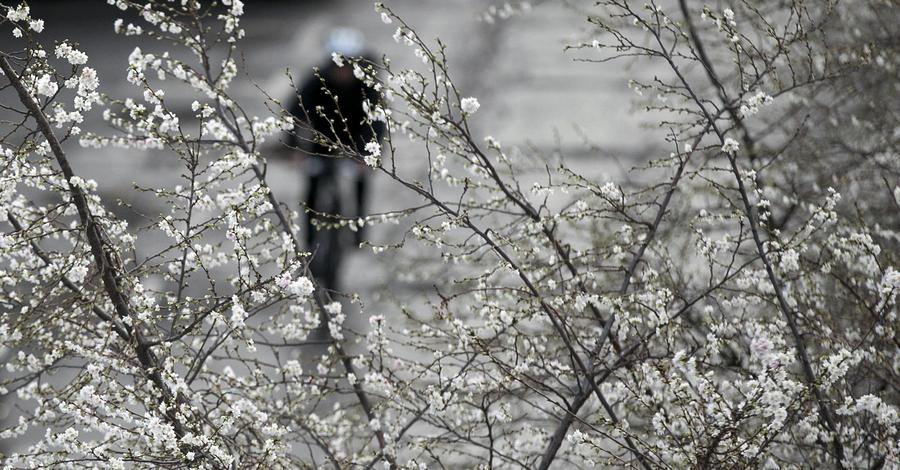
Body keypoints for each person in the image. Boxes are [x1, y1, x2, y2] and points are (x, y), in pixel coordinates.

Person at [286, 27, 385, 291]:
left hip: (357, 142)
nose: (342, 72)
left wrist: (367, 157)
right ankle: (308, 248)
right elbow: (294, 113)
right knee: (312, 187)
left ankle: (357, 231)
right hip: (322, 142)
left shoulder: (369, 84)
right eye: (337, 65)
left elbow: (377, 124)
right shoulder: (315, 80)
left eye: (348, 65)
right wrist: (295, 149)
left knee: (362, 180)